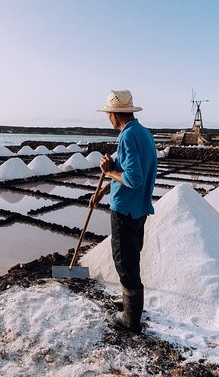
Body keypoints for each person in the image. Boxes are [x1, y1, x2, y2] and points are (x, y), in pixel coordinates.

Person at [90, 89, 157, 333]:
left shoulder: (127, 137)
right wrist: (103, 189)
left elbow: (133, 178)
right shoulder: (142, 133)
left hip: (125, 211)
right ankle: (129, 303)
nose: (107, 117)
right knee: (131, 257)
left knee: (124, 261)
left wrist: (108, 171)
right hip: (138, 209)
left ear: (114, 114)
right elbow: (126, 171)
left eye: (108, 113)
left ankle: (130, 320)